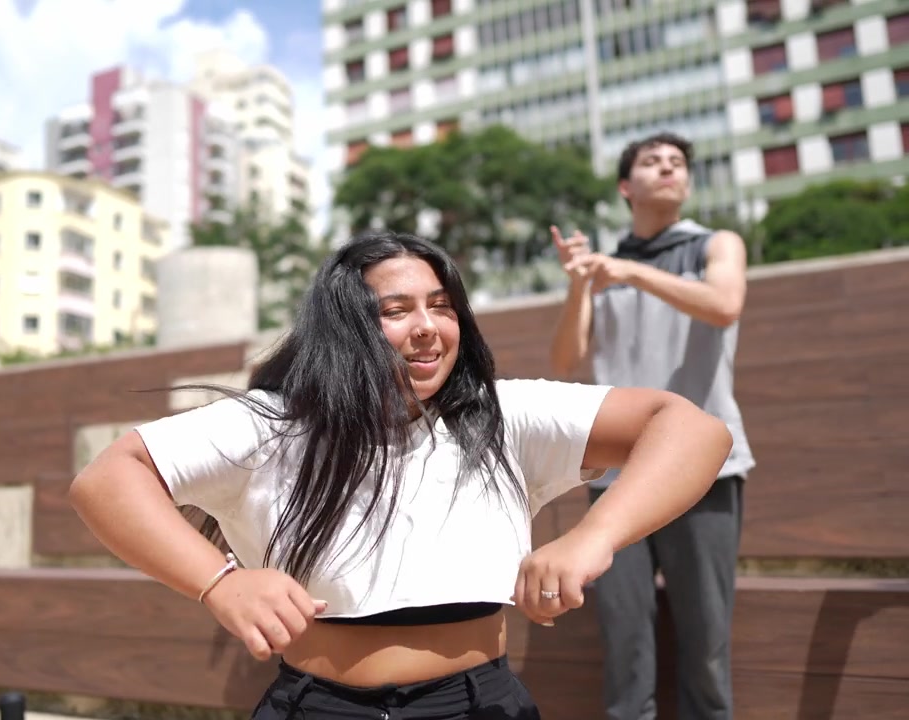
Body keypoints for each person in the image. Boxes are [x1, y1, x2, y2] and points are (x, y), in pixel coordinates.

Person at [71, 229, 733, 720]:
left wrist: (594, 537)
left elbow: (692, 429)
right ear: (346, 326)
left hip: (481, 704)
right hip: (318, 706)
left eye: (442, 306)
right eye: (396, 311)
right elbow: (107, 478)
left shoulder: (503, 412)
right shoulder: (271, 423)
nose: (427, 328)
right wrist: (220, 583)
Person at [549, 132, 755, 720]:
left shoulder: (717, 244)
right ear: (625, 186)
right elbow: (565, 363)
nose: (668, 168)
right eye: (651, 161)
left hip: (706, 471)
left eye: (677, 162)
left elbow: (725, 305)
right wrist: (580, 284)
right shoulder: (604, 269)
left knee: (707, 648)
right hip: (617, 477)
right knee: (625, 647)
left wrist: (632, 273)